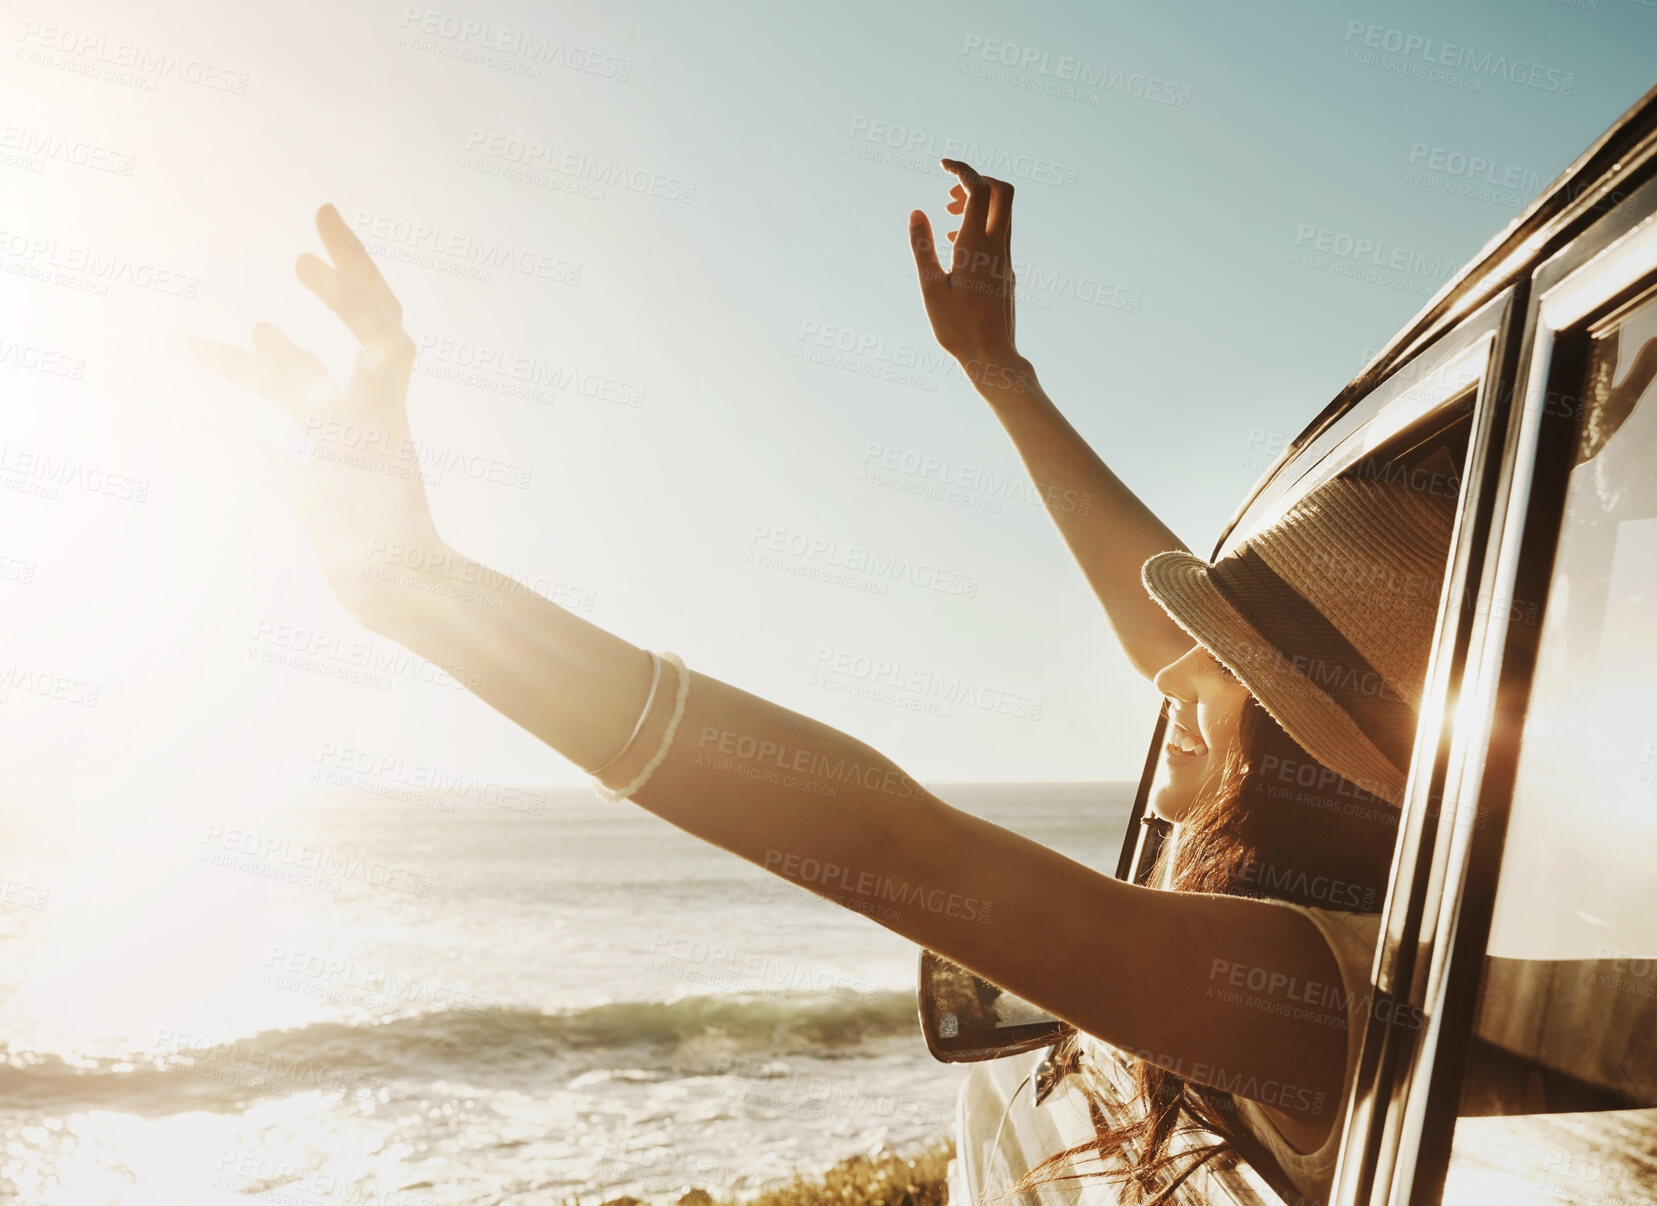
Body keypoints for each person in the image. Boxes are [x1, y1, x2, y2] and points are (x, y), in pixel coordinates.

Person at [180, 162, 1454, 1204]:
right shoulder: (1358, 945)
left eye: (1228, 670)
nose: (1171, 671)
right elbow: (1155, 623)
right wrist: (1000, 376)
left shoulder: (1305, 991)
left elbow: (884, 836)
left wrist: (428, 594)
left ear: (1298, 756)